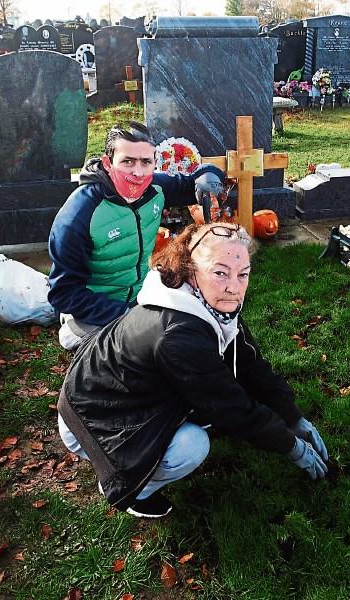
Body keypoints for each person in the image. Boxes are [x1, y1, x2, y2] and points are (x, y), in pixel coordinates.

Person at [57, 223, 329, 518]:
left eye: (243, 274)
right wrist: (292, 447)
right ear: (191, 271)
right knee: (192, 446)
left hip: (115, 395)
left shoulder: (203, 302)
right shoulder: (178, 335)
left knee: (204, 411)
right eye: (220, 272)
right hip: (92, 421)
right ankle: (131, 487)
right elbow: (232, 409)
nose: (234, 287)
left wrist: (293, 416)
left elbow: (250, 363)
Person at [47, 122, 226, 350]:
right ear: (107, 163)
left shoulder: (155, 187)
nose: (138, 172)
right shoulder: (79, 214)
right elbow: (64, 292)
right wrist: (126, 315)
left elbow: (195, 182)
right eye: (127, 161)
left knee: (192, 327)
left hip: (145, 294)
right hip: (97, 309)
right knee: (140, 350)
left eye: (146, 162)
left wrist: (209, 175)